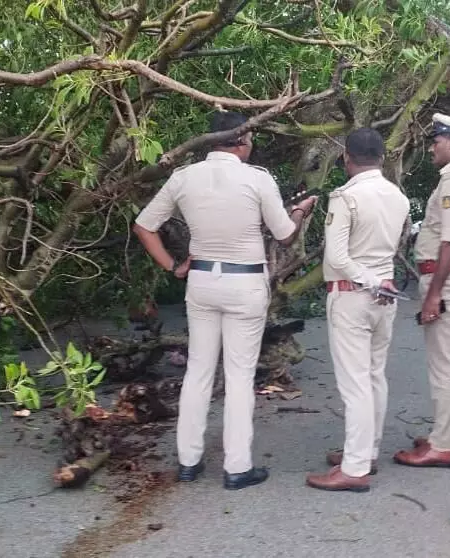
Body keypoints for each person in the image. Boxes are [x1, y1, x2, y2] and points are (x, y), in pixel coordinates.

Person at [133, 111, 318, 490]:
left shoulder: (183, 178)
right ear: (241, 140)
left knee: (198, 372)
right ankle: (237, 467)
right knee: (238, 376)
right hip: (244, 284)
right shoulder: (257, 179)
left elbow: (143, 225)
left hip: (201, 280)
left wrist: (172, 265)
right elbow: (284, 236)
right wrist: (299, 210)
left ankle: (188, 462)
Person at [306, 128, 410, 492]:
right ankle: (366, 452)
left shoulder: (344, 197)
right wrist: (378, 280)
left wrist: (368, 280)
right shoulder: (399, 198)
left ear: (347, 158)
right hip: (384, 297)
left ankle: (354, 468)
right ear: (382, 157)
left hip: (352, 295)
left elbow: (336, 257)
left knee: (355, 385)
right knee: (374, 376)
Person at [392, 113, 450, 469]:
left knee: (442, 365)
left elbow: (449, 241)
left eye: (436, 141)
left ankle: (442, 444)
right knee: (446, 360)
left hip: (444, 277)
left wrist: (433, 295)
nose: (432, 147)